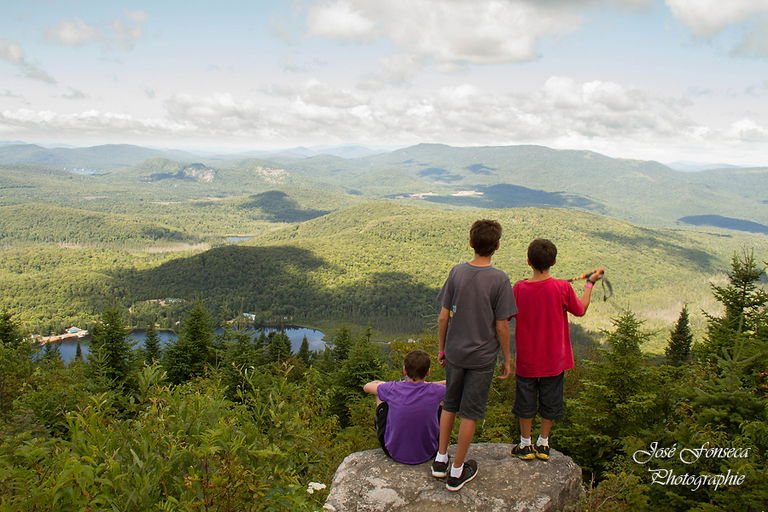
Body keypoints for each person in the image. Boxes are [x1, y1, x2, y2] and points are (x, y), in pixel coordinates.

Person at [432, 219, 517, 491]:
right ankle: (457, 471)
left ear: (471, 243)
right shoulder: (500, 279)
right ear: (498, 246)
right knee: (470, 412)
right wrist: (507, 357)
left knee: (450, 404)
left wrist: (442, 349)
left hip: (455, 352)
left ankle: (440, 459)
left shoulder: (456, 272)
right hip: (482, 358)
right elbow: (501, 325)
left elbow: (443, 316)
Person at [510, 238, 603, 461]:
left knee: (525, 402)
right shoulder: (562, 287)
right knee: (551, 400)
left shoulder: (520, 288)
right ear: (554, 261)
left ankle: (525, 444)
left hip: (527, 359)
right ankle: (543, 444)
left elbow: (506, 314)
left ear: (528, 261)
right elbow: (580, 310)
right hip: (554, 359)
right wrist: (590, 285)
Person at [363, 349, 446, 465]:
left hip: (393, 452)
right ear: (428, 372)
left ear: (404, 370)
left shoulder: (392, 388)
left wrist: (382, 383)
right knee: (442, 402)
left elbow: (367, 387)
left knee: (380, 395)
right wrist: (434, 384)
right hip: (429, 452)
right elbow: (451, 384)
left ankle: (393, 435)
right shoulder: (437, 390)